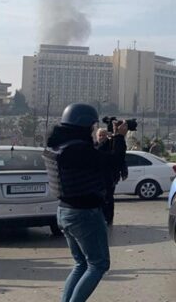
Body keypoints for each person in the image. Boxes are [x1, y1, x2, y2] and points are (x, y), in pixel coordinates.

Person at [43, 103, 127, 302]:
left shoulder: (59, 146)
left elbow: (94, 159)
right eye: (91, 125)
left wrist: (109, 141)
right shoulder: (78, 150)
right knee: (98, 264)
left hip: (64, 212)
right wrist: (121, 137)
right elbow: (112, 163)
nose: (92, 129)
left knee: (81, 264)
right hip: (84, 214)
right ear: (83, 125)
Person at [94, 128, 127, 227]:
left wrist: (123, 171)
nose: (101, 137)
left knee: (108, 198)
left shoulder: (111, 145)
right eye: (99, 135)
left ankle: (108, 219)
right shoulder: (94, 146)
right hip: (97, 179)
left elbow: (119, 158)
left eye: (103, 135)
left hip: (109, 177)